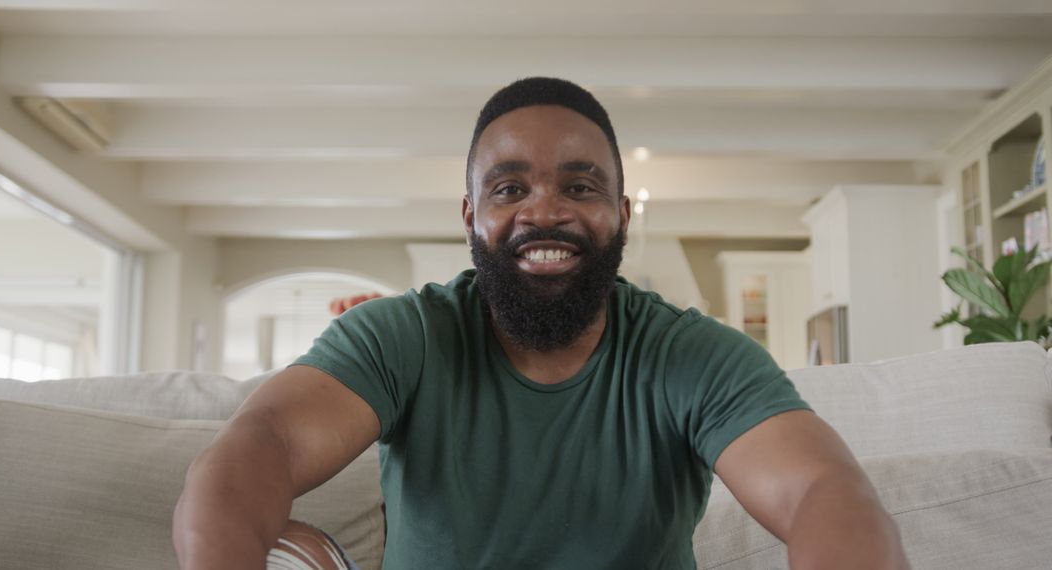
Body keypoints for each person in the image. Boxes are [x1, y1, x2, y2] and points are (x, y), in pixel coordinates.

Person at [173, 77, 909, 569]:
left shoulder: (696, 356)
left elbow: (823, 491)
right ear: (472, 215)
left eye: (579, 186)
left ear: (621, 215)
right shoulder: (403, 337)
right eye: (510, 187)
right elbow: (260, 444)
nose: (545, 209)